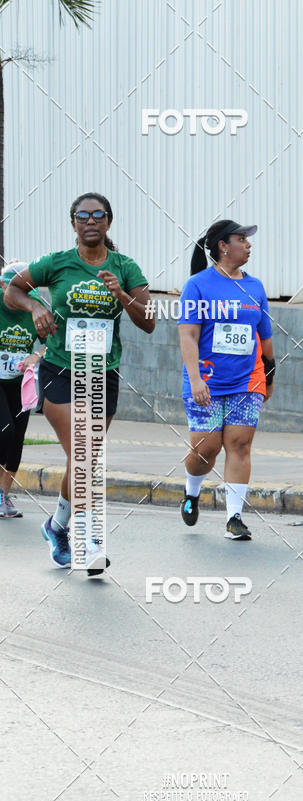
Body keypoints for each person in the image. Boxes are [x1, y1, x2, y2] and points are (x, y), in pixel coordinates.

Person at [5, 192, 155, 572]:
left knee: (84, 458)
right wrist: (37, 306)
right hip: (60, 370)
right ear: (73, 223)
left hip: (103, 373)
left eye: (98, 214)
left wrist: (121, 295)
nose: (91, 221)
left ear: (109, 221)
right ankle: (89, 544)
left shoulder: (125, 267)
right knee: (86, 453)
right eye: (83, 215)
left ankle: (57, 526)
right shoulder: (57, 263)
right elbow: (13, 289)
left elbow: (149, 319)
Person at [178, 219, 275, 540]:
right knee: (207, 448)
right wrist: (194, 380)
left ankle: (235, 517)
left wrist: (271, 374)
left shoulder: (256, 287)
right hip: (206, 380)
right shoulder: (198, 285)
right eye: (241, 239)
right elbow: (188, 336)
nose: (248, 244)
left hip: (247, 381)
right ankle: (192, 491)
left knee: (240, 445)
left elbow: (265, 337)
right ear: (223, 246)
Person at [0, 261, 46, 517]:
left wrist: (36, 356)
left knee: (17, 438)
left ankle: (3, 497)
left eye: (28, 290)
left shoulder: (35, 307)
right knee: (4, 431)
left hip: (20, 381)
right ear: (4, 286)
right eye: (18, 289)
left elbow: (54, 341)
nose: (24, 296)